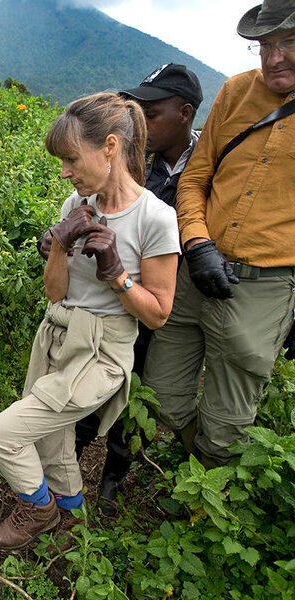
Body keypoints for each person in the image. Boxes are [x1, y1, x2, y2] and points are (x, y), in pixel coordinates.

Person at [0, 92, 181, 550]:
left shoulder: (155, 217)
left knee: (4, 435)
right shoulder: (76, 203)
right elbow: (55, 291)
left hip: (103, 350)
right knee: (53, 442)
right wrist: (60, 243)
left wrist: (117, 273)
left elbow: (158, 313)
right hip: (57, 333)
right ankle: (73, 525)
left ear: (109, 146)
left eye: (71, 159)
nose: (65, 172)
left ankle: (40, 508)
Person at [142, 0, 295, 469]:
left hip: (263, 285)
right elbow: (195, 178)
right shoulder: (236, 91)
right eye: (265, 45)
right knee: (161, 396)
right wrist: (197, 241)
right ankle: (199, 460)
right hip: (197, 269)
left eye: (289, 42)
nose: (273, 58)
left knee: (227, 423)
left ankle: (208, 487)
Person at [73, 64, 204, 512]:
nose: (141, 123)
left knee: (141, 390)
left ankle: (114, 475)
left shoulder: (209, 165)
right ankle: (68, 464)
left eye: (152, 113)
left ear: (185, 114)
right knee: (92, 383)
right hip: (118, 299)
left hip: (167, 300)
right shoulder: (136, 163)